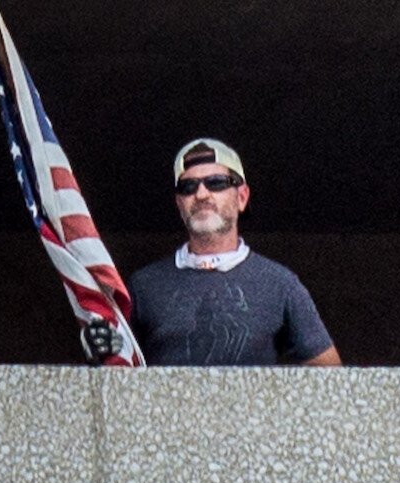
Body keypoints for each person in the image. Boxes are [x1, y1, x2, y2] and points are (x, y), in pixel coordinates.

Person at [85, 138, 340, 366]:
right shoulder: (144, 285)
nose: (202, 194)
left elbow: (331, 377)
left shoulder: (279, 283)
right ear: (179, 203)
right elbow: (116, 368)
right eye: (188, 187)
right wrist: (100, 345)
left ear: (242, 197)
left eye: (216, 183)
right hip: (168, 418)